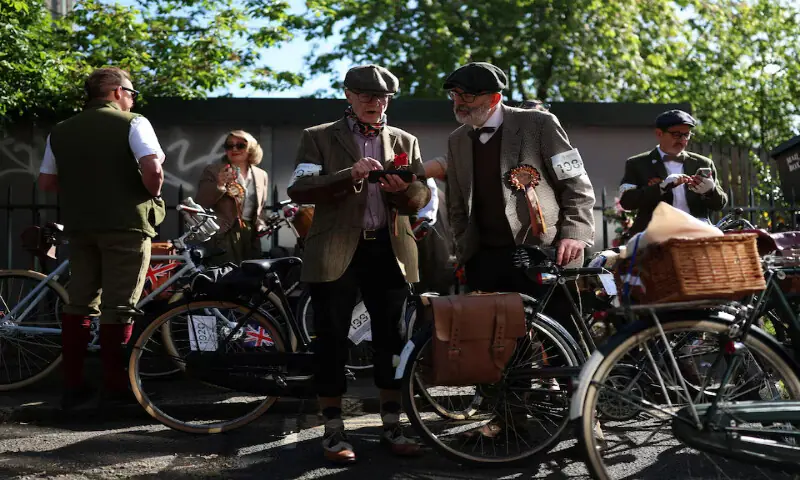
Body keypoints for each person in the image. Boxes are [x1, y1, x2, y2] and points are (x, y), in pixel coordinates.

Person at [287, 64, 430, 464]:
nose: (375, 103)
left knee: (392, 339)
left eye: (382, 97)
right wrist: (349, 174)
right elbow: (299, 189)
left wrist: (404, 193)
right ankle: (333, 431)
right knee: (330, 339)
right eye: (366, 95)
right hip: (334, 250)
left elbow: (420, 198)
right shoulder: (317, 137)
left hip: (390, 250)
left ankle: (392, 424)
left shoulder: (405, 140)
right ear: (348, 95)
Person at [444, 62, 595, 439]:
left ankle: (587, 420)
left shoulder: (538, 125)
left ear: (494, 98)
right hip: (487, 258)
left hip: (545, 251)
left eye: (468, 95)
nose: (459, 103)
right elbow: (457, 204)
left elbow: (576, 182)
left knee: (566, 339)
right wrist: (465, 251)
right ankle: (509, 419)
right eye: (454, 95)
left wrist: (574, 233)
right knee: (501, 345)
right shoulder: (456, 140)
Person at [37, 67, 165, 409]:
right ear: (116, 92)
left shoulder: (61, 130)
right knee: (120, 306)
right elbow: (153, 170)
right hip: (126, 225)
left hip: (80, 226)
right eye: (132, 93)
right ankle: (115, 387)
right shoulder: (134, 123)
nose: (133, 99)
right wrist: (147, 195)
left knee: (78, 303)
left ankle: (73, 385)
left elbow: (47, 183)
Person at [619, 109, 727, 235]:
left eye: (686, 135)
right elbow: (626, 202)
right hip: (655, 234)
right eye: (676, 134)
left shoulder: (702, 163)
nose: (682, 139)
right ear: (659, 133)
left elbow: (720, 204)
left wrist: (710, 191)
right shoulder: (638, 163)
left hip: (696, 233)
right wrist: (660, 188)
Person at [196, 130, 270, 264]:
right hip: (224, 233)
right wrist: (219, 184)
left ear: (251, 149)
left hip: (250, 234)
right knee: (226, 277)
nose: (234, 149)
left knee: (250, 275)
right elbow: (201, 202)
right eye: (229, 146)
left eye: (240, 145)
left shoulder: (261, 175)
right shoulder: (213, 170)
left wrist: (261, 223)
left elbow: (260, 208)